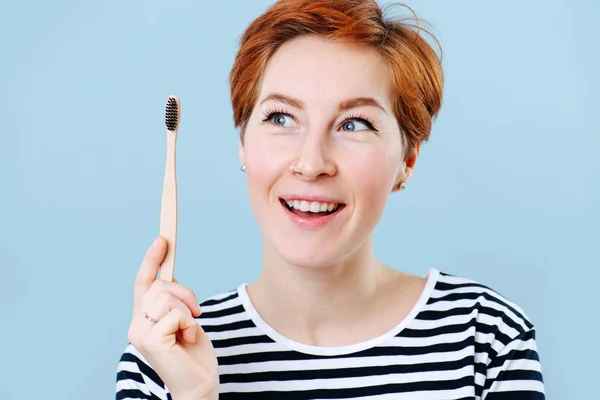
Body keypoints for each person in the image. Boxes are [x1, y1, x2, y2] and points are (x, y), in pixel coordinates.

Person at [115, 0, 545, 399]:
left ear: (407, 160)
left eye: (354, 124)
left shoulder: (485, 338)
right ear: (243, 144)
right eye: (281, 118)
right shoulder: (161, 357)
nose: (311, 162)